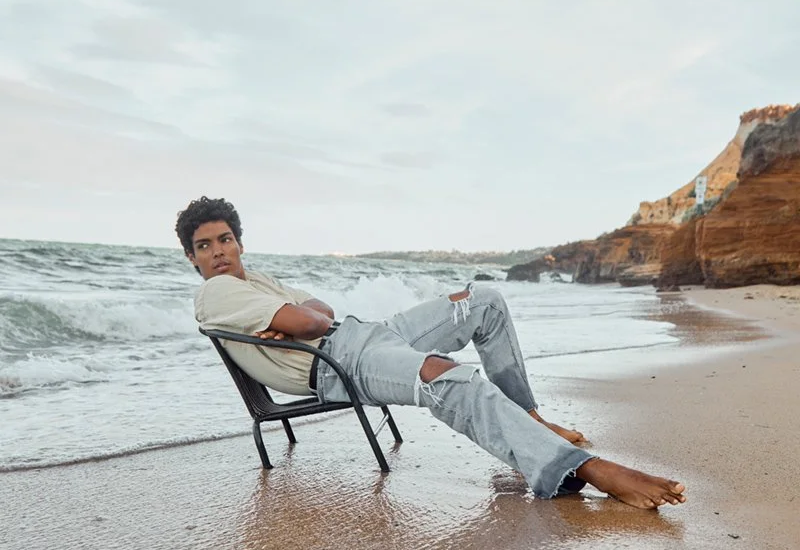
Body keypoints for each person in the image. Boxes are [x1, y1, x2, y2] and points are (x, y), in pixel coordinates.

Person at [176, 196, 686, 510]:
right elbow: (310, 320)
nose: (218, 251)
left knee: (482, 302)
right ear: (191, 257)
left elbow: (318, 311)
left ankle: (530, 420)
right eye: (204, 246)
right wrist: (300, 321)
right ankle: (584, 469)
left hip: (362, 334)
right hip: (337, 365)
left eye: (225, 240)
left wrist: (298, 321)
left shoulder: (254, 279)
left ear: (240, 243)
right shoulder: (217, 291)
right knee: (452, 379)